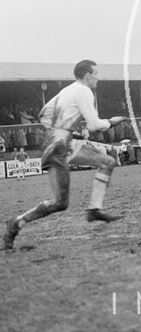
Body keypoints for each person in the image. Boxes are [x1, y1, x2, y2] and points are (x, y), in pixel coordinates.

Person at [3, 60, 127, 250]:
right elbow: (94, 126)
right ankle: (17, 223)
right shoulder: (84, 91)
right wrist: (110, 122)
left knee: (107, 161)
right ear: (87, 75)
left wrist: (68, 130)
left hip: (62, 141)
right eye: (96, 74)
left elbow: (43, 114)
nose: (98, 78)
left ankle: (94, 209)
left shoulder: (68, 90)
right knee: (60, 203)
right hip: (57, 146)